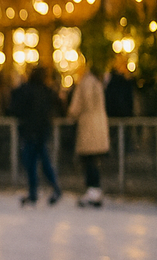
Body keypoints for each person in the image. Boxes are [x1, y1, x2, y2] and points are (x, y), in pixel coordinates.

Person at [9, 66, 63, 206]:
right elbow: (59, 105)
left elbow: (15, 108)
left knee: (32, 162)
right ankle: (52, 187)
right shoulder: (46, 91)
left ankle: (36, 191)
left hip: (30, 132)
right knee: (42, 161)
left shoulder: (27, 90)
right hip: (42, 132)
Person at [67, 62, 110, 207]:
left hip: (87, 126)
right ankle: (95, 191)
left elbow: (76, 107)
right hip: (99, 125)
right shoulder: (97, 83)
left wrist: (70, 114)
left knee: (88, 161)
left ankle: (93, 191)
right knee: (94, 160)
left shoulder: (84, 84)